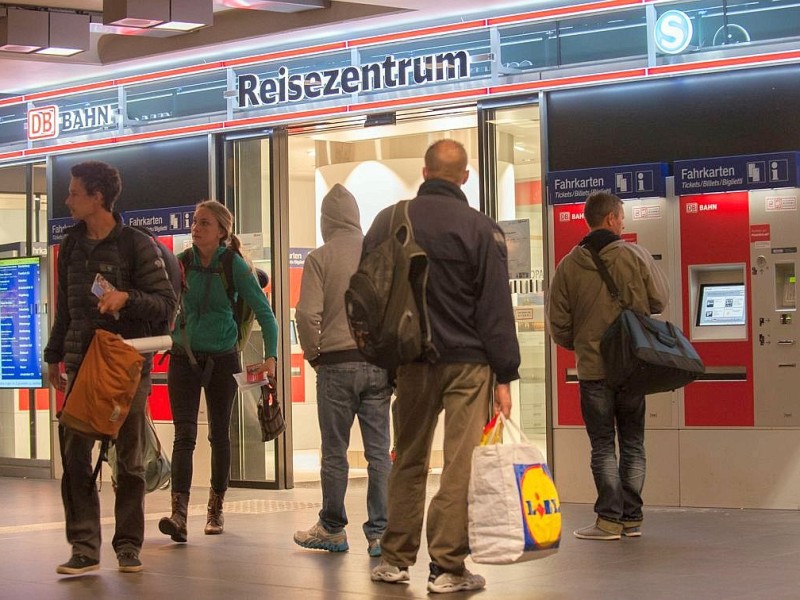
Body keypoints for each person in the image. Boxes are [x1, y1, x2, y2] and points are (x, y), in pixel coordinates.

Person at [368, 140, 520, 594]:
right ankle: (447, 566)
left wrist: (385, 355)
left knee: (408, 459)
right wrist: (505, 375)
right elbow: (495, 309)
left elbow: (369, 294)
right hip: (468, 365)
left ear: (424, 171)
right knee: (459, 464)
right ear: (466, 177)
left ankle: (394, 559)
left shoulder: (389, 221)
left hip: (411, 362)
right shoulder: (480, 229)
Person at [45, 160, 178, 575]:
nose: (67, 200)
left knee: (130, 458)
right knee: (76, 455)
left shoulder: (135, 244)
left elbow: (166, 304)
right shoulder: (70, 245)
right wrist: (54, 355)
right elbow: (66, 309)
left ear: (97, 196)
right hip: (81, 365)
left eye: (74, 193)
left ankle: (128, 546)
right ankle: (84, 546)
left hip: (124, 366)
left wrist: (126, 297)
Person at [545, 190, 669, 540]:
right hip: (633, 368)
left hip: (593, 370)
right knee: (633, 443)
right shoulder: (636, 255)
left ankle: (609, 521)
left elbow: (559, 323)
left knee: (602, 445)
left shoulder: (568, 265)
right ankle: (632, 519)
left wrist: (584, 345)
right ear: (612, 219)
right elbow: (660, 299)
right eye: (622, 216)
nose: (624, 221)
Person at [158, 200, 279, 542]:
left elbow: (266, 315)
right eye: (195, 222)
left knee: (218, 435)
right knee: (184, 435)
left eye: (205, 223)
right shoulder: (181, 264)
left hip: (224, 359)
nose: (196, 228)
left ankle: (215, 507)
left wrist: (271, 358)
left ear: (222, 231)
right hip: (183, 357)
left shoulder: (234, 265)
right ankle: (178, 513)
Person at [293, 184, 392, 557]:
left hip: (334, 366)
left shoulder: (320, 257)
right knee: (378, 453)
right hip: (376, 365)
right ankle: (380, 532)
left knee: (335, 452)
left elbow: (306, 314)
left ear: (325, 220)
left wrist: (313, 354)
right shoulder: (378, 254)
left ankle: (333, 528)